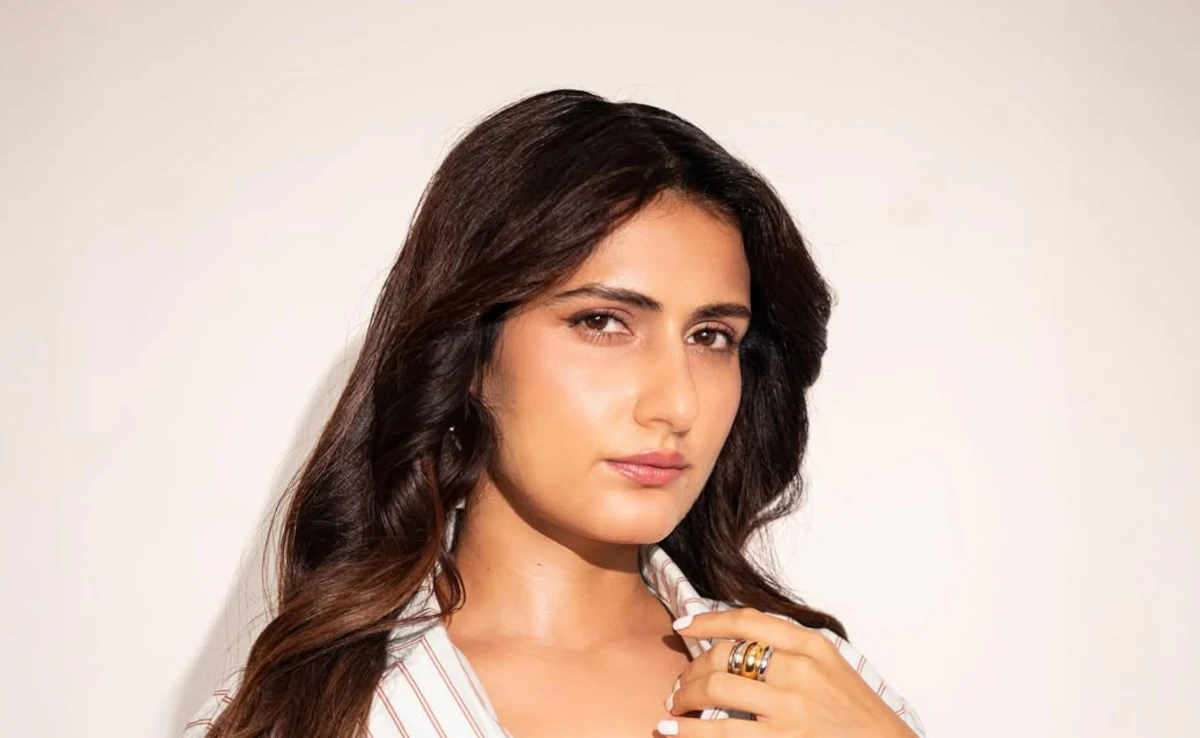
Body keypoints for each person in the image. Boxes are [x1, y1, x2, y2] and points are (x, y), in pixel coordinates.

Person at [184, 88, 927, 738]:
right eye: (602, 322)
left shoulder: (814, 692)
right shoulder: (304, 717)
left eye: (710, 336)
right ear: (469, 350)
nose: (676, 403)